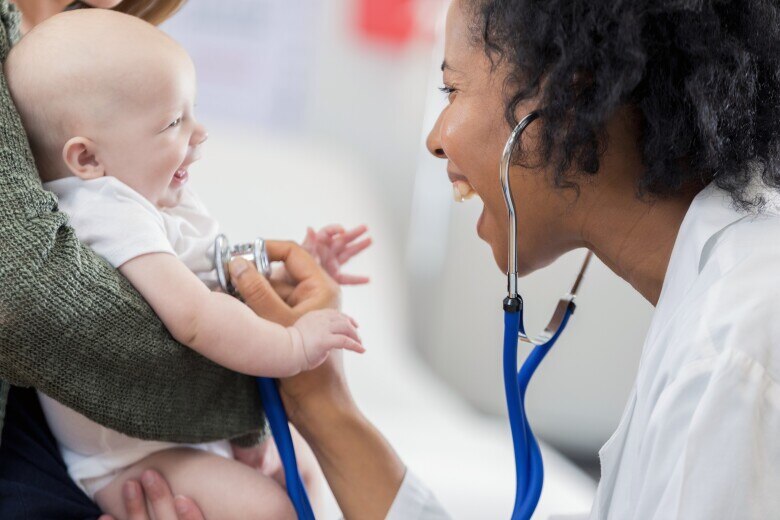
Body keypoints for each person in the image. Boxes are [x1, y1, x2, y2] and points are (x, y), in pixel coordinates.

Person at [7, 0, 780, 518]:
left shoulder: (737, 355)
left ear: (570, 97)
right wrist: (315, 398)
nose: (436, 138)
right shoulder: (710, 307)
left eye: (450, 89)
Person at [5, 8, 374, 518]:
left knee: (305, 476)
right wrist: (291, 345)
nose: (199, 134)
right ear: (87, 159)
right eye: (174, 122)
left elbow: (211, 266)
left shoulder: (146, 193)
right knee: (269, 508)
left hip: (172, 433)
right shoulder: (102, 211)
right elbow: (196, 317)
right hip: (127, 459)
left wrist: (291, 270)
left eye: (192, 112)